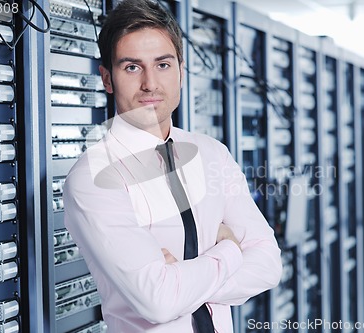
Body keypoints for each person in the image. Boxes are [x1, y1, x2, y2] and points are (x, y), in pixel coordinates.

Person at [63, 0, 283, 332]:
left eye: (163, 65)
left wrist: (182, 278)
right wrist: (230, 251)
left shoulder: (212, 154)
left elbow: (268, 263)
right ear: (107, 79)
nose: (150, 83)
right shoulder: (92, 177)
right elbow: (158, 301)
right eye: (132, 67)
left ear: (181, 70)